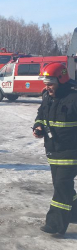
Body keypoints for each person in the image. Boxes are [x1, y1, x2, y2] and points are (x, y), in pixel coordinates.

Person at [33, 62, 77, 237]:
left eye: (50, 83)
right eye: (45, 83)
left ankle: (55, 224)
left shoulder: (74, 99)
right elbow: (41, 115)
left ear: (61, 79)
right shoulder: (47, 97)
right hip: (53, 151)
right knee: (62, 187)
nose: (47, 87)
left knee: (61, 185)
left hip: (72, 151)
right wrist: (38, 126)